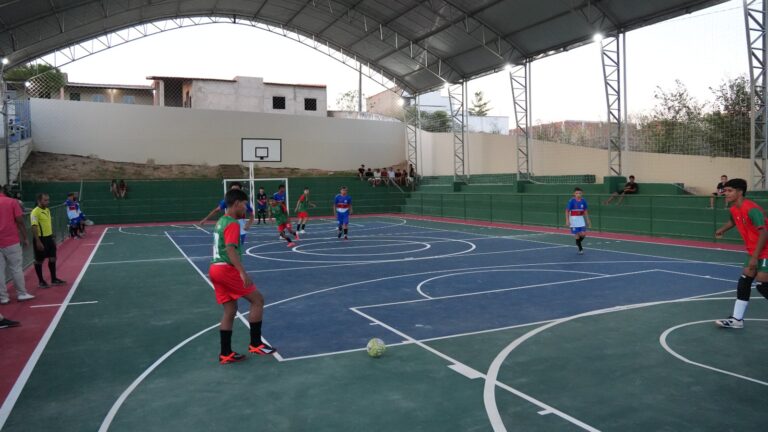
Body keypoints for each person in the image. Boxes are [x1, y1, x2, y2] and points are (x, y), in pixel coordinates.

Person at [209, 188, 276, 364]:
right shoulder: (231, 223)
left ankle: (225, 353)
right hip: (226, 269)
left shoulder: (221, 221)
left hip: (215, 268)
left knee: (230, 310)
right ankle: (255, 344)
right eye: (245, 204)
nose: (246, 209)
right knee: (258, 300)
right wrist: (242, 272)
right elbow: (230, 249)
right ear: (237, 203)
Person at [714, 178, 768, 329]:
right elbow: (733, 221)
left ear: (740, 192)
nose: (726, 194)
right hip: (754, 250)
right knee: (744, 282)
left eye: (730, 191)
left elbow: (764, 233)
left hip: (765, 250)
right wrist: (722, 229)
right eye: (725, 191)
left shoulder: (752, 209)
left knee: (763, 285)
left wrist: (755, 257)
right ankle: (737, 319)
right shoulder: (733, 208)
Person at [0, 186, 33, 304]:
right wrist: (25, 237)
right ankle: (21, 293)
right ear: (2, 191)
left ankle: (3, 297)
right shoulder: (12, 202)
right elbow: (19, 221)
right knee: (16, 268)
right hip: (11, 240)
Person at [31, 193, 66, 288]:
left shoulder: (47, 210)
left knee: (53, 258)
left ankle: (54, 279)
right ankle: (41, 281)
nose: (47, 202)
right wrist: (38, 241)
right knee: (39, 261)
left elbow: (48, 224)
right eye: (45, 200)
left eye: (48, 200)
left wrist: (53, 237)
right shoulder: (35, 212)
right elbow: (34, 227)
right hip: (41, 239)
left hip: (49, 238)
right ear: (39, 201)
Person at [565, 187, 591, 255]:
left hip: (581, 218)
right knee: (577, 234)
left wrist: (588, 220)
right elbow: (567, 211)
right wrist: (567, 220)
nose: (578, 194)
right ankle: (580, 249)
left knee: (583, 234)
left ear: (582, 193)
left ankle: (577, 242)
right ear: (574, 194)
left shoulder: (583, 201)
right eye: (576, 193)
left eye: (579, 193)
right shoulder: (571, 201)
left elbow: (585, 210)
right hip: (573, 219)